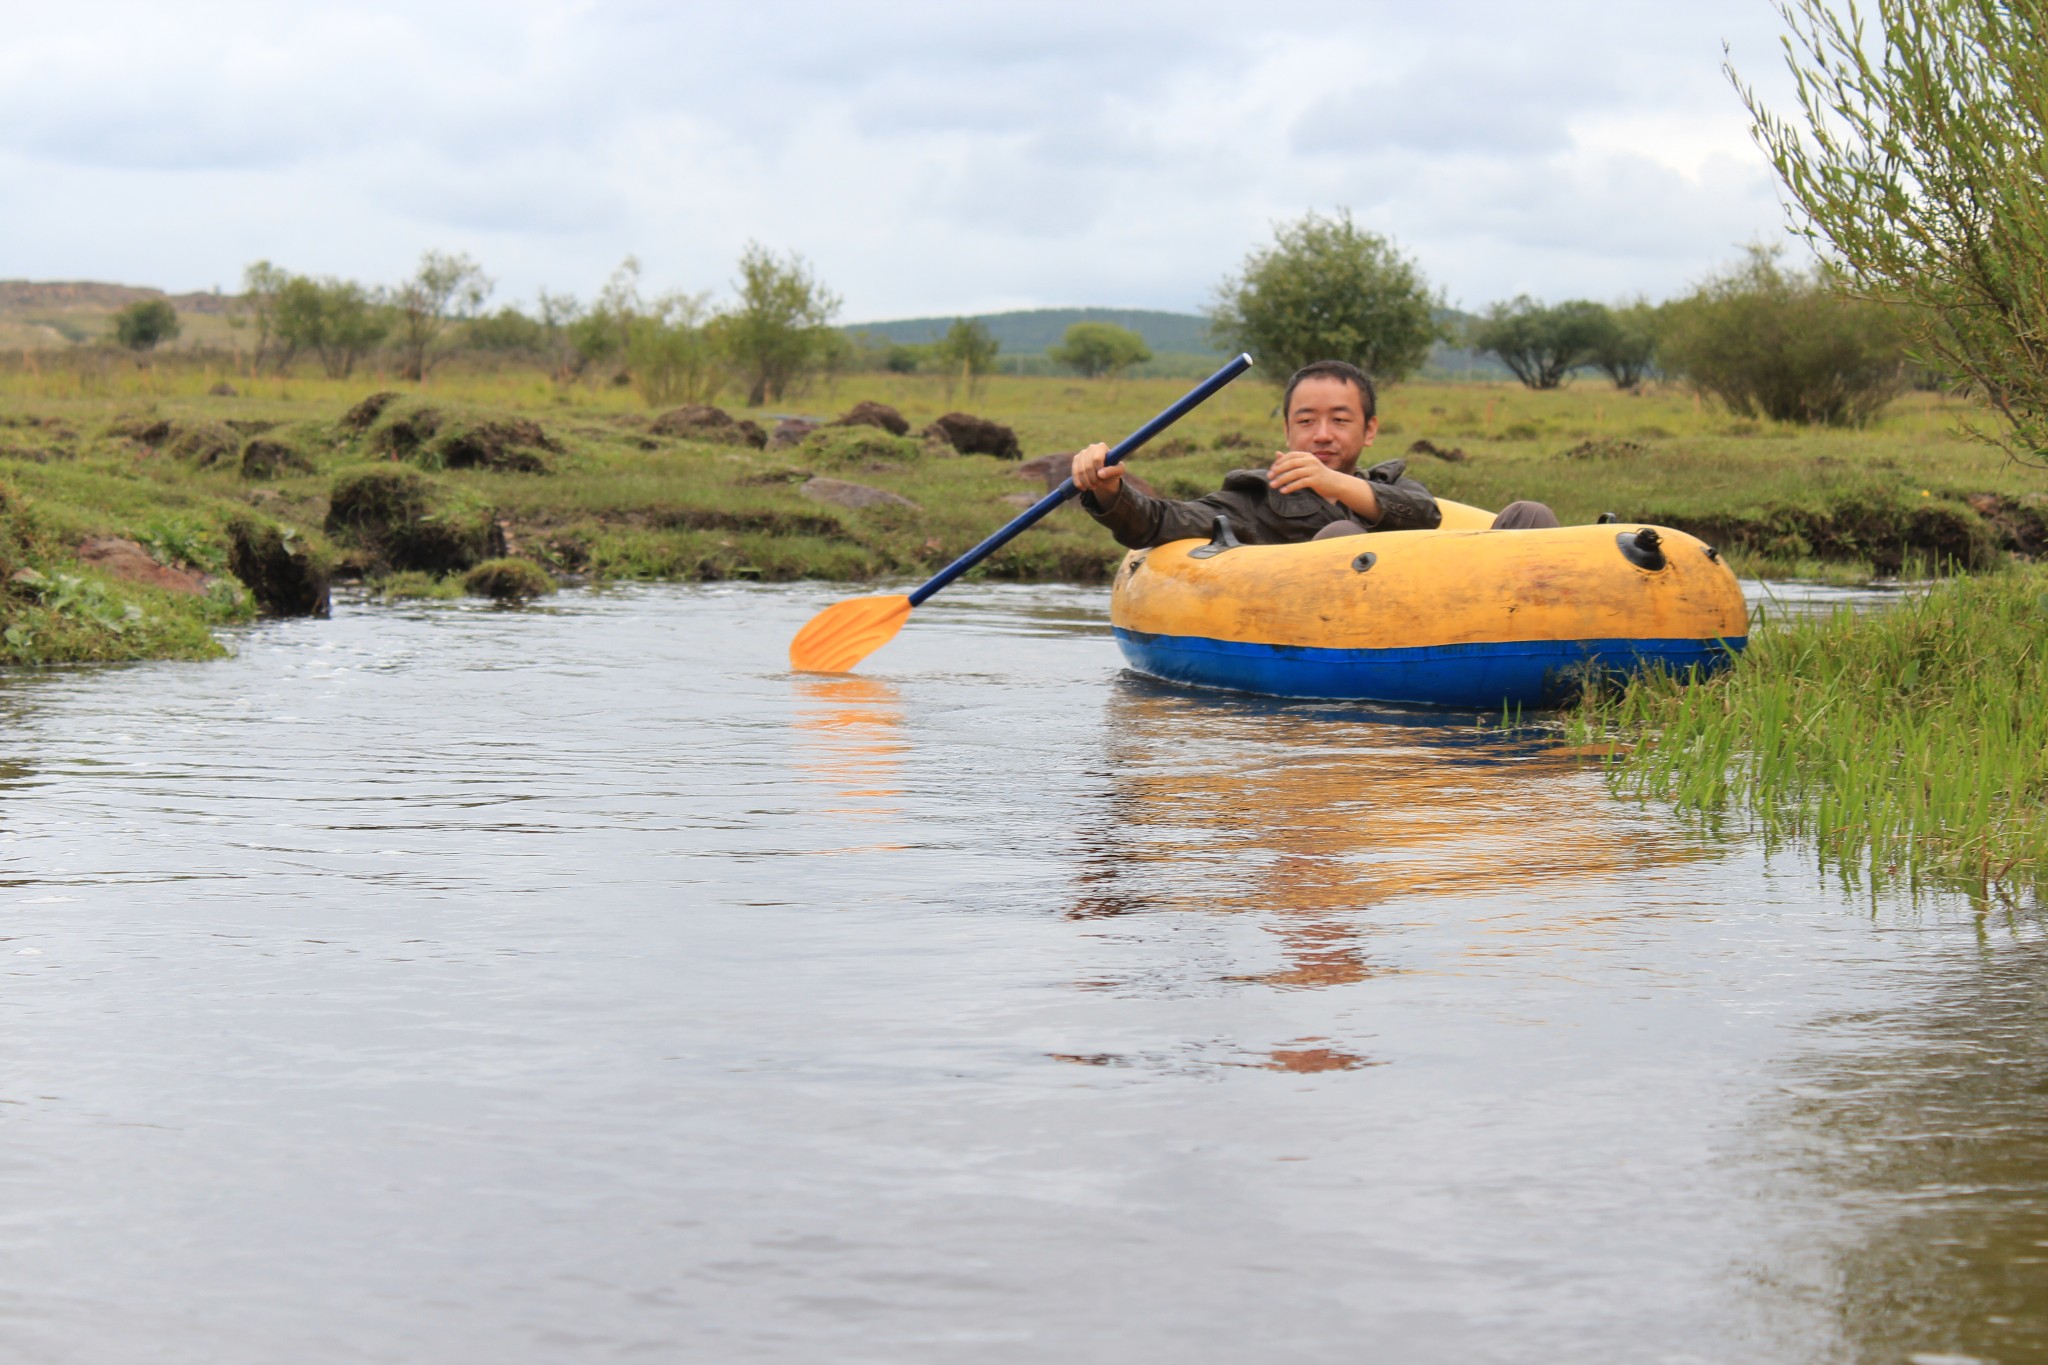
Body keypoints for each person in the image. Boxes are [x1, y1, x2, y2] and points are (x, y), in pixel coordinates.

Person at [1070, 359, 1557, 547]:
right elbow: (1156, 522)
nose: (1322, 434)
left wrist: (1336, 484)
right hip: (1338, 651)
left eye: (1340, 420)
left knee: (1529, 514)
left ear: (1369, 431)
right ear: (1287, 430)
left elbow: (1425, 517)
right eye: (1306, 421)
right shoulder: (1253, 502)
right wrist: (1109, 490)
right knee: (1344, 537)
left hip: (1452, 620)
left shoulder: (1398, 490)